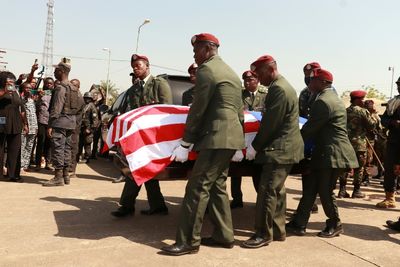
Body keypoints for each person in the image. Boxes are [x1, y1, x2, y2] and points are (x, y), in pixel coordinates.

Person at [161, 33, 245, 256]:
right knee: (217, 186)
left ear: (208, 49)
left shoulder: (207, 70)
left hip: (215, 137)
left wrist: (186, 142)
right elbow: (240, 111)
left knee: (197, 188)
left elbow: (198, 109)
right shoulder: (231, 72)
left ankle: (188, 241)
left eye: (196, 50)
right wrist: (238, 141)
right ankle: (224, 235)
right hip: (230, 137)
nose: (194, 55)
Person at [240, 55, 303, 248]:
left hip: (279, 149)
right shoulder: (280, 86)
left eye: (259, 73)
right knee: (277, 191)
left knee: (267, 191)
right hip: (284, 148)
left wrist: (254, 146)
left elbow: (270, 124)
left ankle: (262, 234)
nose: (258, 78)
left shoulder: (279, 89)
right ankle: (277, 230)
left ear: (270, 69)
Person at [286, 69, 358, 237]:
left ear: (323, 82)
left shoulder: (323, 102)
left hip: (332, 154)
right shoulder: (331, 98)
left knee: (325, 190)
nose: (309, 83)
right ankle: (299, 223)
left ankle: (335, 223)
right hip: (326, 152)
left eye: (312, 80)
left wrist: (290, 142)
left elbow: (309, 130)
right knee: (311, 187)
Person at [110, 54, 172, 217]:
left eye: (138, 65)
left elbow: (167, 110)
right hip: (140, 136)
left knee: (139, 168)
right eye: (133, 67)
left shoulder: (159, 84)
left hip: (156, 137)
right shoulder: (134, 89)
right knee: (139, 168)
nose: (135, 69)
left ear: (147, 66)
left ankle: (129, 206)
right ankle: (154, 206)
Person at [230, 70, 267, 209]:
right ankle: (237, 198)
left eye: (250, 80)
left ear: (257, 80)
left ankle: (261, 199)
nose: (247, 83)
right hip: (243, 136)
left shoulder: (265, 95)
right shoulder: (240, 95)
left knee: (257, 171)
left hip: (257, 138)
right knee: (235, 170)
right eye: (245, 80)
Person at [43, 58, 80, 186]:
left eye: (56, 70)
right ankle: (66, 175)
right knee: (67, 149)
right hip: (71, 122)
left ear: (62, 71)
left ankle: (58, 177)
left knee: (58, 148)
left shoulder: (60, 88)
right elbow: (80, 105)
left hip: (59, 123)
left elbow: (56, 108)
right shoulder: (74, 88)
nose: (54, 72)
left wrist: (50, 125)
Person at [340, 90, 376, 198]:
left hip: (346, 143)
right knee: (359, 168)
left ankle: (342, 190)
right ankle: (356, 191)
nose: (364, 101)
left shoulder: (345, 111)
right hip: (359, 144)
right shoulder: (363, 111)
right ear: (357, 100)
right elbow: (372, 126)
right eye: (362, 99)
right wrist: (371, 113)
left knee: (345, 167)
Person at [298, 62, 321, 214]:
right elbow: (300, 114)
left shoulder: (326, 92)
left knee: (316, 171)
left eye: (311, 75)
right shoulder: (304, 93)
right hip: (307, 136)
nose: (308, 79)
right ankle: (308, 200)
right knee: (306, 170)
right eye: (306, 76)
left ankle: (312, 199)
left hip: (319, 136)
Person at [376, 76, 400, 208]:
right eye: (398, 84)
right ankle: (390, 198)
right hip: (394, 142)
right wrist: (392, 122)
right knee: (390, 170)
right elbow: (383, 119)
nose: (398, 87)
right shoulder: (393, 102)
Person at [0, 71, 28, 182]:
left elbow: (21, 108)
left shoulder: (15, 91)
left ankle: (13, 175)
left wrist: (25, 123)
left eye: (12, 81)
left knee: (15, 149)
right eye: (8, 81)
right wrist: (3, 92)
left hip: (15, 123)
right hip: (1, 121)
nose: (11, 83)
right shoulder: (2, 90)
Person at [35, 77, 54, 171]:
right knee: (41, 142)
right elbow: (36, 106)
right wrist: (39, 97)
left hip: (51, 122)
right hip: (42, 121)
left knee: (49, 143)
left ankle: (48, 163)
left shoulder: (55, 94)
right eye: (47, 83)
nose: (49, 85)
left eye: (50, 84)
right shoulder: (40, 93)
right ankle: (38, 163)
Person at [20, 82, 38, 172]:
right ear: (23, 89)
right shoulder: (20, 100)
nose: (29, 89)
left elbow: (34, 114)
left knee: (29, 146)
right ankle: (20, 166)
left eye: (30, 88)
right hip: (24, 128)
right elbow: (21, 114)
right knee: (22, 146)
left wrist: (36, 127)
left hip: (33, 127)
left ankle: (26, 165)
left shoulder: (32, 100)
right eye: (27, 88)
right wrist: (25, 125)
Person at [69, 78, 84, 178]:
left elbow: (71, 112)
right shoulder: (74, 96)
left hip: (74, 127)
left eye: (73, 85)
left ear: (78, 87)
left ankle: (71, 170)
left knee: (73, 148)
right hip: (72, 126)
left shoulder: (78, 98)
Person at [78, 92, 99, 164]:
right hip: (81, 127)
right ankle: (78, 156)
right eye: (85, 98)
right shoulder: (82, 105)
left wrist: (90, 129)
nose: (87, 99)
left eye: (88, 98)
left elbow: (95, 120)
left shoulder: (92, 107)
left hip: (88, 128)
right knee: (79, 143)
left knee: (87, 144)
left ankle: (87, 158)